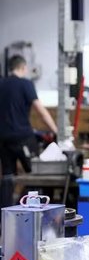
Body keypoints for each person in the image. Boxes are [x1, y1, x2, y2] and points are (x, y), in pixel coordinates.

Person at [0, 55, 58, 210]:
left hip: (3, 139)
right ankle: (34, 212)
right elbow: (40, 111)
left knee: (7, 177)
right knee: (36, 174)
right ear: (23, 67)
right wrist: (55, 130)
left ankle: (5, 216)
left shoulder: (1, 83)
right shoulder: (26, 84)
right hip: (22, 137)